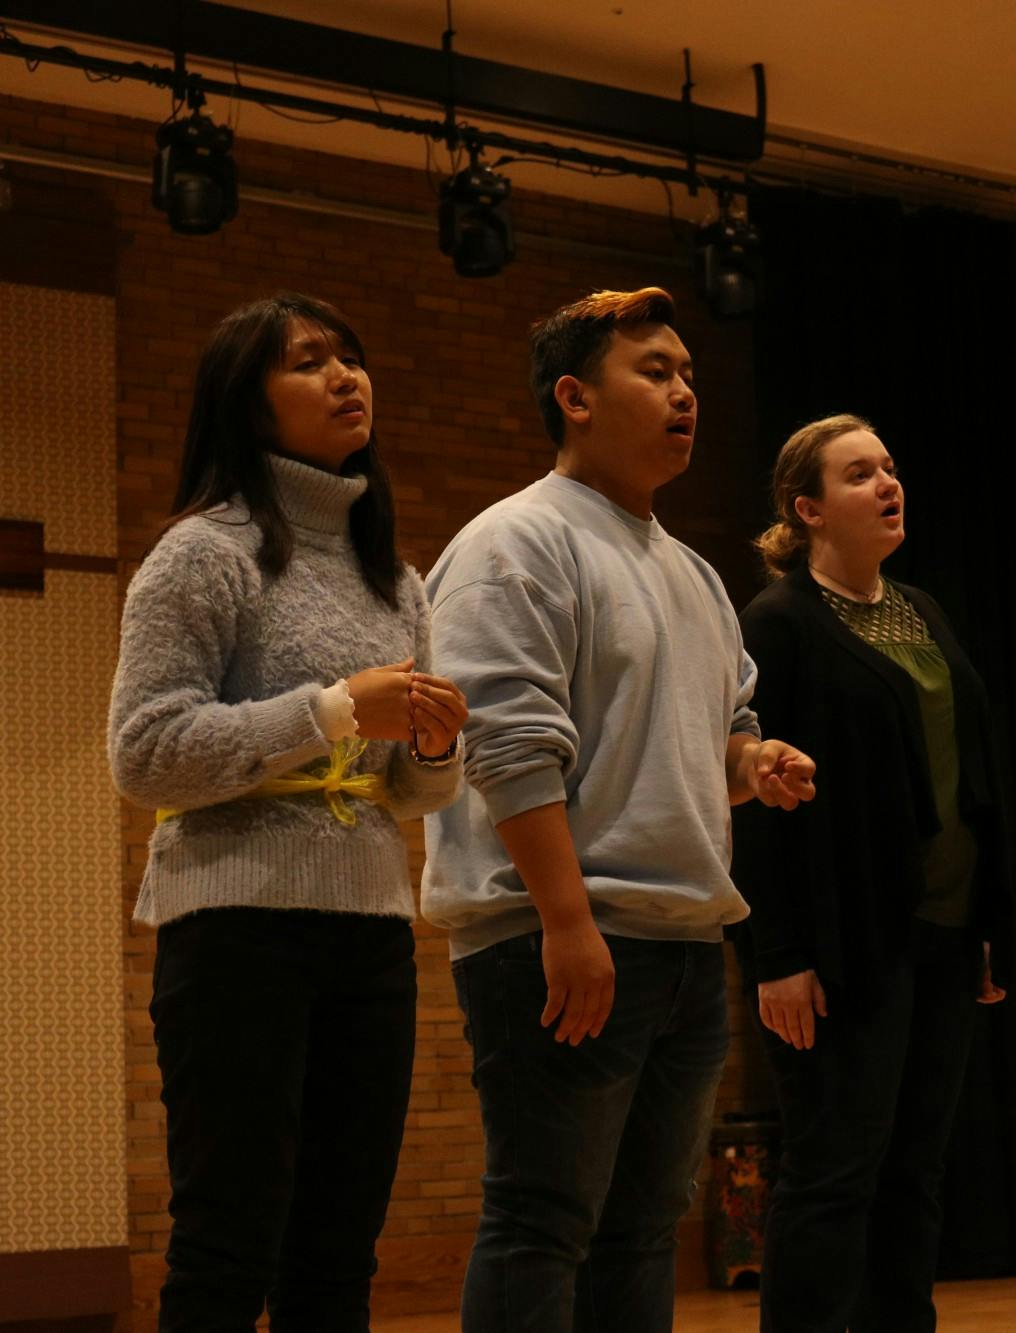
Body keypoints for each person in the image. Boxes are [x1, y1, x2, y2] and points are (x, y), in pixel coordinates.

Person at [421, 287, 816, 1332]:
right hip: (558, 936)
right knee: (542, 1219)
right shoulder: (515, 542)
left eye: (688, 373)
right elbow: (505, 744)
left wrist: (753, 761)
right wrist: (565, 919)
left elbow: (715, 739)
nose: (685, 392)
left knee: (642, 1231)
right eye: (654, 371)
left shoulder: (692, 573)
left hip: (679, 943)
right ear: (574, 398)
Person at [109, 292, 466, 1331]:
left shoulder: (394, 578)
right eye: (307, 362)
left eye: (349, 356)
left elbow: (409, 793)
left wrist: (435, 747)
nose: (345, 375)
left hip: (371, 934)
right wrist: (335, 708)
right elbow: (145, 752)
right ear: (247, 402)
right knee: (226, 1246)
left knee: (338, 1255)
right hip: (234, 931)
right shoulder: (202, 553)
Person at [735, 413, 1011, 1332]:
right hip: (844, 940)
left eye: (889, 467)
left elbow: (970, 772)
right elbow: (754, 801)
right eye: (859, 474)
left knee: (914, 1171)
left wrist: (981, 923)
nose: (888, 483)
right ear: (807, 508)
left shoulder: (922, 608)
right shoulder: (777, 622)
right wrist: (776, 953)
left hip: (944, 931)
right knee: (834, 1170)